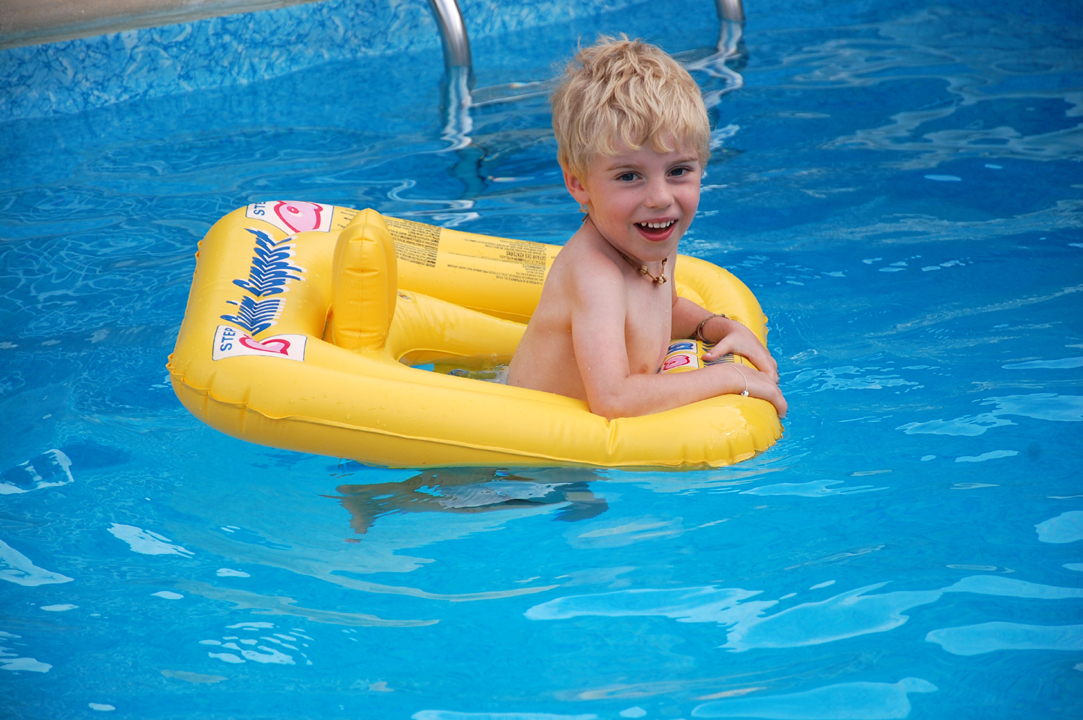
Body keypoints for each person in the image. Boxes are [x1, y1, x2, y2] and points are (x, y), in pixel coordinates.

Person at [506, 36, 787, 420]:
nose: (659, 198)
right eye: (629, 176)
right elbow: (613, 399)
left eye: (678, 171)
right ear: (578, 183)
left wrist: (716, 327)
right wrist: (729, 377)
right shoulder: (596, 277)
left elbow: (666, 308)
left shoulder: (652, 241)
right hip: (529, 446)